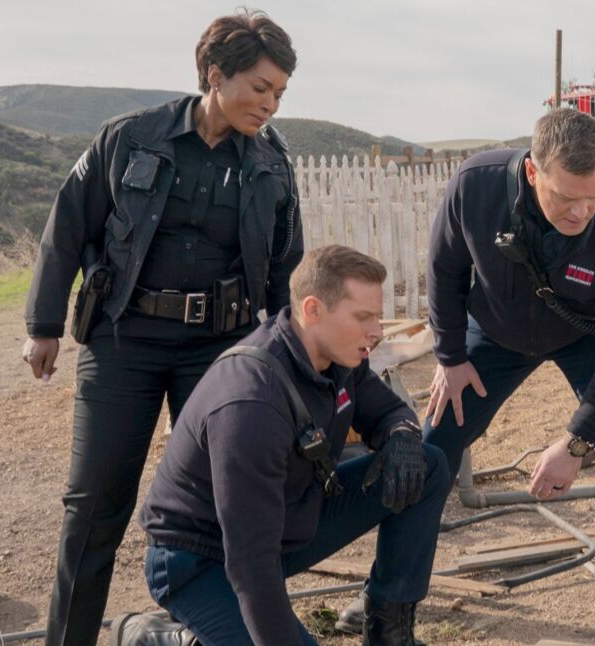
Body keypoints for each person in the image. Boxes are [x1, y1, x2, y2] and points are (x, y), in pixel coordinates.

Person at [20, 10, 302, 645]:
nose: (270, 104)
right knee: (93, 506)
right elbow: (66, 229)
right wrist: (42, 325)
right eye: (260, 87)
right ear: (214, 73)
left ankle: (203, 633)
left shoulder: (274, 165)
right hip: (124, 339)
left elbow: (288, 268)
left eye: (280, 93)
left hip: (221, 350)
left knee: (223, 506)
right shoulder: (128, 138)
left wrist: (289, 365)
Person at [118, 245, 451, 646]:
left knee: (426, 464)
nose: (377, 331)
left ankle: (388, 633)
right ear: (313, 310)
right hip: (201, 557)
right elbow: (250, 564)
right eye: (363, 317)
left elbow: (388, 411)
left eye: (377, 316)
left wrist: (402, 436)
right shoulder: (251, 404)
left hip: (287, 519)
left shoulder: (339, 357)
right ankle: (165, 639)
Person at [421, 108, 595, 644]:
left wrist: (578, 440)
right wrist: (449, 356)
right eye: (565, 198)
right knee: (434, 441)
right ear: (533, 173)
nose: (581, 211)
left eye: (593, 195)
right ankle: (388, 600)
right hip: (494, 329)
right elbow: (443, 269)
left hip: (586, 337)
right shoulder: (476, 187)